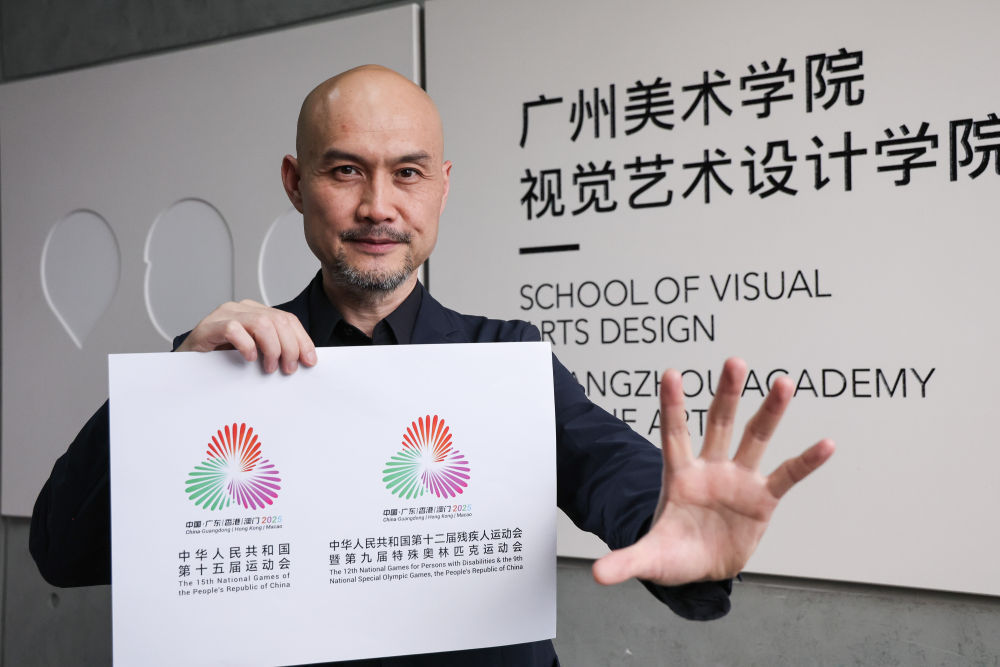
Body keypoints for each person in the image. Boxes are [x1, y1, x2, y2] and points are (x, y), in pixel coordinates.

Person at [30, 65, 834, 666]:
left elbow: (605, 465)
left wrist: (668, 523)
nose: (378, 205)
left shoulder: (505, 360)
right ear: (296, 183)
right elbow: (62, 550)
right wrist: (172, 387)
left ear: (442, 189)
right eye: (346, 170)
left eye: (408, 172)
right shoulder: (220, 359)